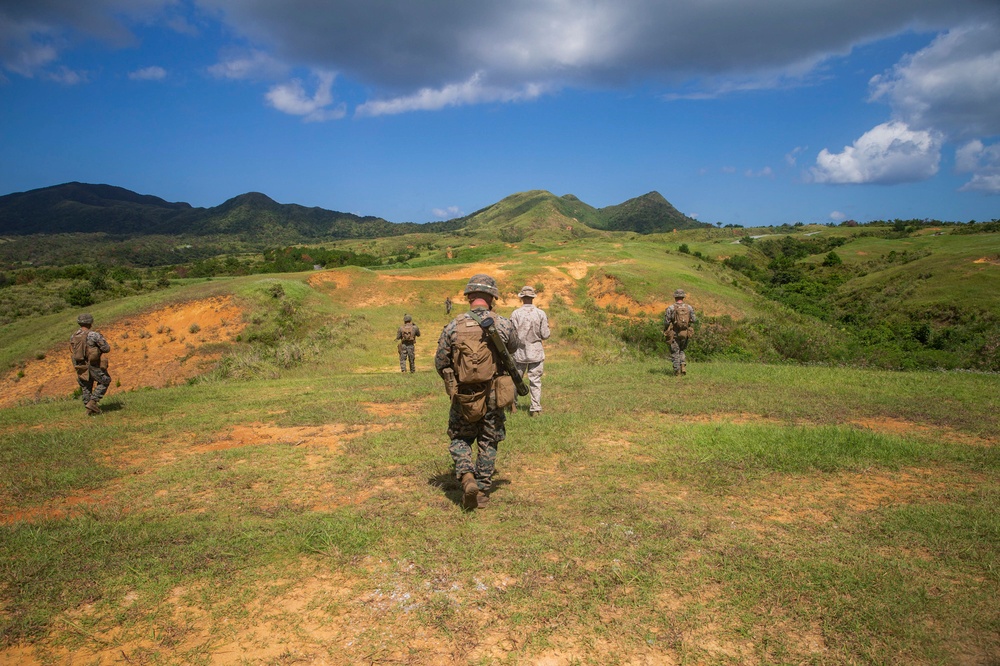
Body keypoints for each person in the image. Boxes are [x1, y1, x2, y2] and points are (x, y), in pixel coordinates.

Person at [435, 274, 520, 510]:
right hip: (494, 392)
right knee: (489, 439)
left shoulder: (453, 325)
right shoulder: (502, 324)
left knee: (461, 437)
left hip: (464, 395)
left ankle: (466, 476)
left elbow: (440, 362)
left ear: (469, 296)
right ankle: (481, 490)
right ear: (492, 297)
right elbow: (513, 347)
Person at [510, 285, 550, 417]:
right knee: (535, 380)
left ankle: (512, 404)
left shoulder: (515, 314)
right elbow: (545, 334)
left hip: (519, 353)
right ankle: (535, 408)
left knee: (516, 380)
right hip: (536, 353)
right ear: (533, 298)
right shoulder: (540, 313)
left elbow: (512, 335)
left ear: (521, 298)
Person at [70, 313, 111, 415]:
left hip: (80, 365)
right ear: (91, 323)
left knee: (86, 386)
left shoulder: (73, 336)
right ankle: (93, 402)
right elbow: (106, 348)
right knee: (105, 380)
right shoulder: (94, 335)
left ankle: (88, 410)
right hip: (93, 364)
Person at [663, 289, 697, 376]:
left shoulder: (671, 308)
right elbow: (694, 320)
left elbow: (666, 322)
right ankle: (683, 365)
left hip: (674, 333)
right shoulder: (689, 307)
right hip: (685, 333)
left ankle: (677, 371)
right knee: (681, 350)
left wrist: (666, 329)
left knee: (675, 351)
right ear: (683, 297)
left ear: (675, 297)